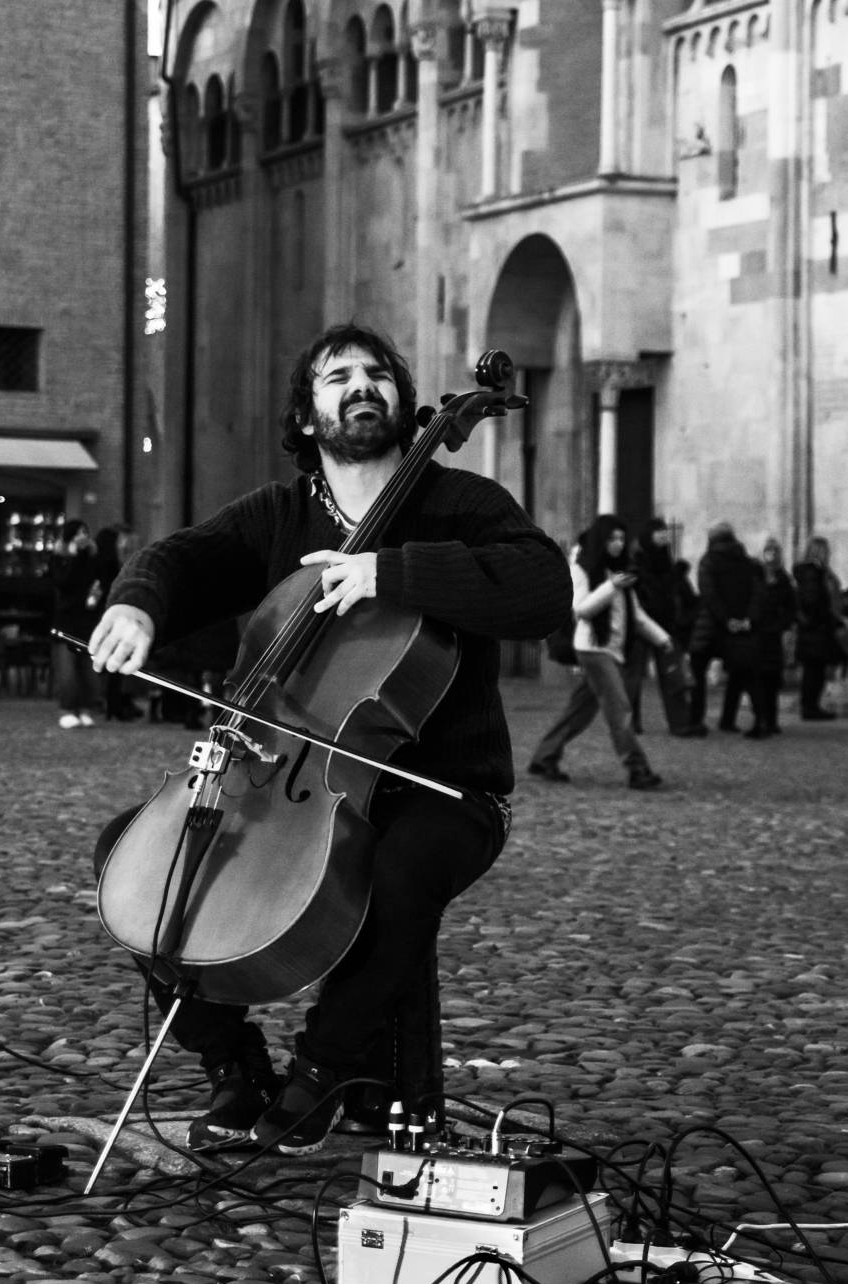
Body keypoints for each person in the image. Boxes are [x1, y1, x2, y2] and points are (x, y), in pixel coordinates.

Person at [87, 322, 571, 1156]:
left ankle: (323, 1070)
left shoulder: (461, 505)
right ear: (305, 416)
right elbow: (181, 560)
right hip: (288, 778)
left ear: (403, 401)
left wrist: (390, 571)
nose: (360, 386)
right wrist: (137, 602)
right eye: (336, 377)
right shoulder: (277, 514)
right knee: (130, 859)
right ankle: (233, 1066)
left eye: (376, 374)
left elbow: (542, 588)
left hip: (440, 790)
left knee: (398, 868)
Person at [527, 514, 671, 789]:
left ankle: (545, 756)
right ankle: (637, 768)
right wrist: (611, 586)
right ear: (601, 540)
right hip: (593, 648)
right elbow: (581, 609)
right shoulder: (583, 568)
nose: (618, 544)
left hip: (611, 649)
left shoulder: (619, 570)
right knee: (619, 708)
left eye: (621, 538)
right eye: (612, 538)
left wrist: (662, 639)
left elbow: (636, 615)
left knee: (580, 710)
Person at [686, 521, 763, 735]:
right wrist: (746, 619)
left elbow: (709, 594)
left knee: (698, 671)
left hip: (710, 625)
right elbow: (757, 594)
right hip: (739, 625)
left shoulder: (709, 561)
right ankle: (731, 719)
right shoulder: (746, 561)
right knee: (740, 672)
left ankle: (695, 719)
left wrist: (725, 618)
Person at [625, 517, 696, 736]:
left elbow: (682, 595)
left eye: (665, 531)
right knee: (633, 677)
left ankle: (680, 722)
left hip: (667, 625)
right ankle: (628, 722)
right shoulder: (637, 564)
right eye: (659, 531)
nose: (664, 535)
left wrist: (682, 619)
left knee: (673, 674)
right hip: (640, 626)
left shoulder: (669, 564)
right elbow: (639, 593)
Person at [51, 518, 102, 728]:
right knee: (67, 670)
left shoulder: (92, 559)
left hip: (87, 621)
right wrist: (75, 557)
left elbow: (96, 582)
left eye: (85, 532)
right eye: (78, 533)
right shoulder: (59, 560)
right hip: (66, 622)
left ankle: (86, 707)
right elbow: (64, 583)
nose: (83, 537)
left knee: (87, 670)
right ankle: (67, 708)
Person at [793, 535, 847, 720]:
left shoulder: (818, 572)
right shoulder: (813, 573)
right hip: (816, 628)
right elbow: (814, 601)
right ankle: (810, 707)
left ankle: (811, 706)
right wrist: (829, 619)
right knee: (813, 670)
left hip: (817, 627)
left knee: (816, 669)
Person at [94, 524, 144, 721]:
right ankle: (114, 704)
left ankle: (116, 704)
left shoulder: (111, 563)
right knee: (114, 664)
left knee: (116, 664)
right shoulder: (108, 566)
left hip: (114, 614)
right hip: (111, 615)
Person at [756, 538, 797, 734]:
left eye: (774, 552)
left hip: (774, 633)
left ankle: (770, 719)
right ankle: (762, 718)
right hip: (758, 633)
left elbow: (791, 606)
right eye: (768, 552)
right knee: (760, 677)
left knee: (772, 678)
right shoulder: (756, 577)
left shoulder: (783, 579)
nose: (771, 556)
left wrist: (782, 625)